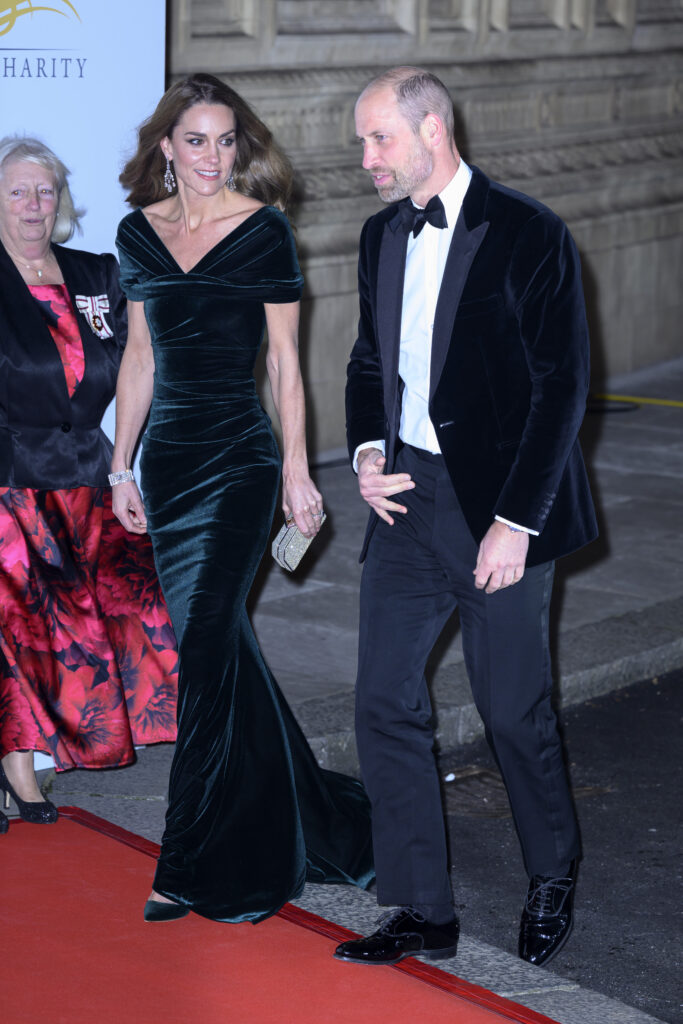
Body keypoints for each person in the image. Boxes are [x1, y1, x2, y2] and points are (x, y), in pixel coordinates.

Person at [335, 67, 598, 969]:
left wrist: (516, 522)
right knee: (382, 699)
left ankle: (552, 872)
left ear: (432, 130)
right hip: (407, 500)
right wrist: (368, 451)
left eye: (378, 139)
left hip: (500, 509)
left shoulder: (528, 232)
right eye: (362, 141)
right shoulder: (379, 236)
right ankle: (419, 907)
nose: (364, 157)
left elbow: (561, 390)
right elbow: (370, 361)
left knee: (512, 709)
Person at [112, 73, 373, 924]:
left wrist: (298, 470)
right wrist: (120, 467)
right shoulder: (138, 235)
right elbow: (142, 358)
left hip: (238, 464)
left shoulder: (263, 232)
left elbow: (284, 365)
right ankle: (312, 812)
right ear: (167, 148)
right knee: (222, 649)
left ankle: (185, 860)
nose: (212, 156)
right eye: (196, 140)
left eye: (226, 141)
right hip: (169, 463)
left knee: (206, 653)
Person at [0, 137, 179, 829]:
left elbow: (142, 358)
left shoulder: (96, 273)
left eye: (45, 192)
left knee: (127, 617)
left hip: (90, 479)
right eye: (17, 191)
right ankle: (19, 770)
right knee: (19, 627)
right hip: (12, 481)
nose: (33, 206)